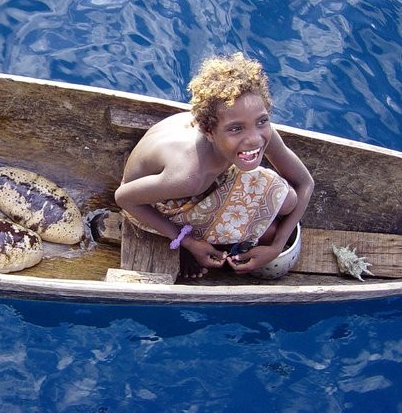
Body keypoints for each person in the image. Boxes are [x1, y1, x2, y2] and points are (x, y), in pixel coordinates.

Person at [114, 53, 314, 277]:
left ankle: (236, 230)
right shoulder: (189, 176)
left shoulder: (253, 129)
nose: (255, 139)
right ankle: (189, 245)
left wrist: (276, 247)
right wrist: (188, 242)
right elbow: (123, 198)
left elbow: (305, 183)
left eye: (262, 121)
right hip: (151, 203)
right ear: (209, 131)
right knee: (274, 221)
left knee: (288, 202)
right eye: (236, 128)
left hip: (171, 181)